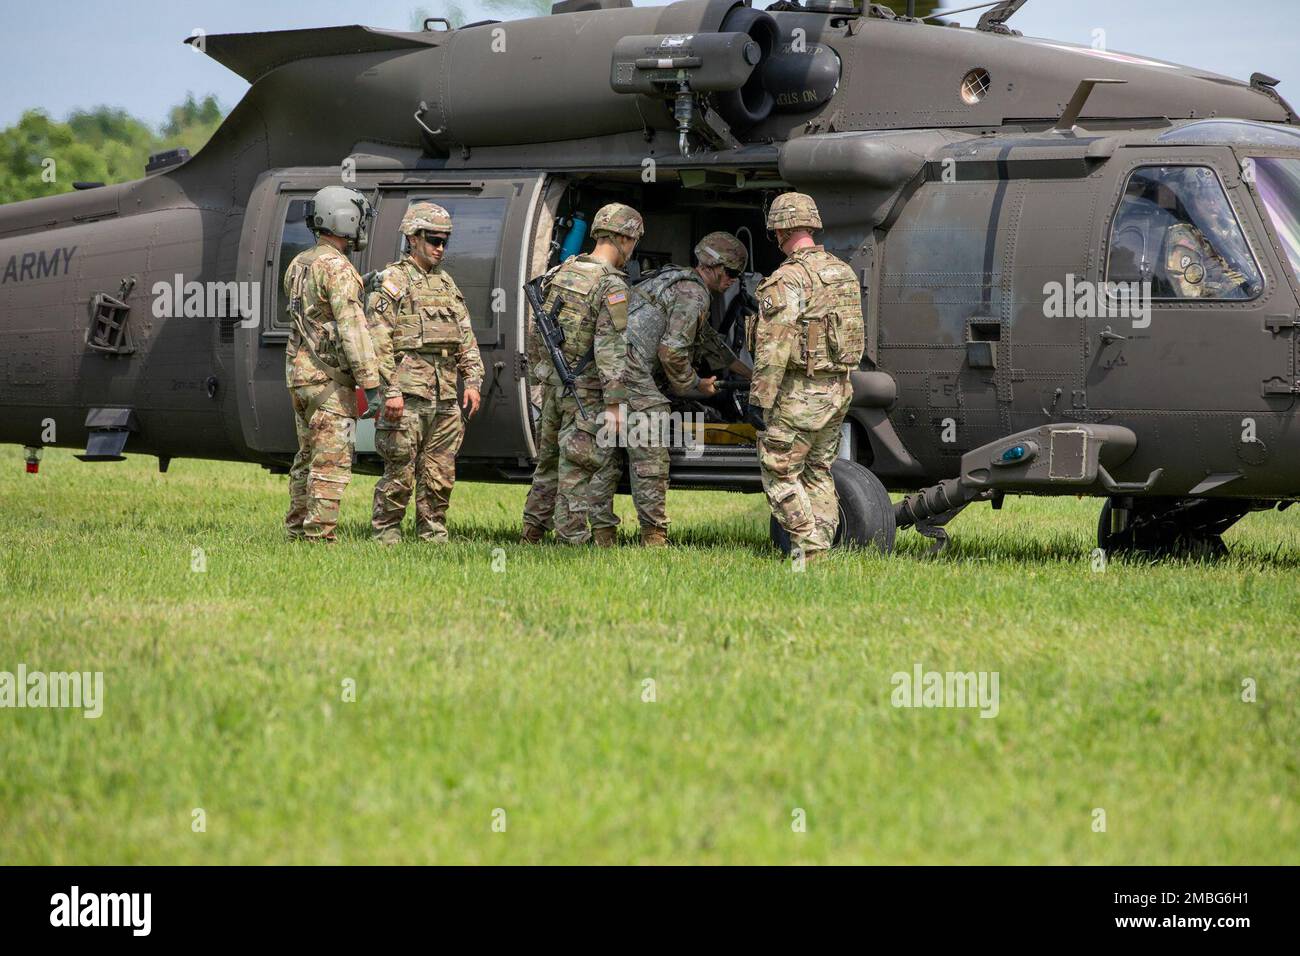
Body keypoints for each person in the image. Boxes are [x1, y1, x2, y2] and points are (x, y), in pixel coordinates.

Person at [586, 231, 752, 546]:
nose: (732, 280)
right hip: (633, 374)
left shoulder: (675, 279)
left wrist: (752, 374)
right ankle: (654, 538)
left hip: (609, 370)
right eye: (730, 272)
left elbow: (710, 345)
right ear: (713, 267)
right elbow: (672, 353)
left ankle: (603, 535)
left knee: (605, 454)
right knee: (650, 455)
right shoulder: (694, 294)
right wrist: (694, 385)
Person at [748, 192, 864, 561]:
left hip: (801, 393)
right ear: (812, 225)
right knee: (817, 471)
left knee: (779, 470)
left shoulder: (788, 279)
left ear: (780, 230)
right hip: (838, 389)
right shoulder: (843, 272)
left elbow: (774, 346)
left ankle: (808, 548)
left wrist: (760, 400)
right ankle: (821, 553)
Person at [521, 202, 643, 545]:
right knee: (578, 467)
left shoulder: (563, 270)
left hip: (554, 387)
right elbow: (610, 348)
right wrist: (616, 405)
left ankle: (532, 531)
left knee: (547, 464)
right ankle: (571, 539)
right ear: (621, 237)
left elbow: (537, 334)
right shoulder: (612, 286)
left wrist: (542, 376)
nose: (632, 250)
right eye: (632, 241)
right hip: (585, 391)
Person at [366, 202, 483, 544]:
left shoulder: (446, 284)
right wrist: (390, 390)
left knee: (440, 471)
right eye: (433, 239)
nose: (440, 247)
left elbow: (465, 337)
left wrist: (473, 381)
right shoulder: (393, 281)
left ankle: (433, 531)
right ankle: (386, 531)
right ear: (413, 238)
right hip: (407, 394)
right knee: (400, 469)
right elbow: (378, 342)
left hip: (445, 395)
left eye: (445, 240)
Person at [283, 185, 382, 542]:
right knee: (331, 463)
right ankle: (318, 538)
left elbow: (310, 313)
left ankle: (296, 530)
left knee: (306, 459)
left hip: (300, 377)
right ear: (347, 219)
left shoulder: (300, 263)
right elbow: (353, 331)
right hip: (329, 383)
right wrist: (372, 386)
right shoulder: (339, 269)